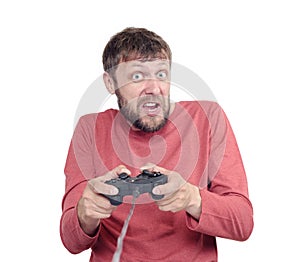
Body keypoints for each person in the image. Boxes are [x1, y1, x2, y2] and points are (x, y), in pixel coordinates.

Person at [60, 27, 254, 261]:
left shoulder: (208, 117)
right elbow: (71, 242)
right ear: (110, 83)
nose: (154, 88)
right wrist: (85, 212)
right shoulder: (90, 128)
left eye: (161, 74)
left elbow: (243, 224)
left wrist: (192, 198)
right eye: (137, 76)